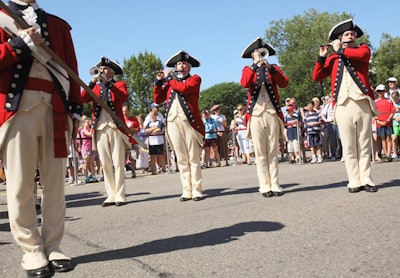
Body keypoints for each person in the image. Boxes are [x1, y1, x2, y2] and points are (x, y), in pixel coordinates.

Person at [0, 0, 82, 276]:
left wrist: (75, 110)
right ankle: (31, 250)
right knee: (21, 184)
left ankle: (53, 245)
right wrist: (18, 46)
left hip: (55, 110)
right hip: (16, 111)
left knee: (55, 183)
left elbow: (70, 68)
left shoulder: (58, 25)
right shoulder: (1, 18)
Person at [312, 19, 379, 193]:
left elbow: (363, 57)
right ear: (340, 38)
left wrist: (341, 50)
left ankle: (367, 179)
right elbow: (317, 76)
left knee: (364, 143)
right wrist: (322, 56)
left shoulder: (362, 48)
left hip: (362, 101)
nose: (351, 36)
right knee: (348, 145)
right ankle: (354, 180)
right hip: (342, 104)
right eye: (347, 35)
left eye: (352, 34)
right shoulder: (333, 57)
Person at [153, 50, 205, 202]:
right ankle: (186, 190)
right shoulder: (170, 82)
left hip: (189, 122)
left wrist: (169, 79)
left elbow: (184, 89)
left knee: (193, 157)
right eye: (178, 64)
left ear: (189, 67)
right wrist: (158, 82)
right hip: (172, 121)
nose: (180, 66)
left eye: (183, 64)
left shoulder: (195, 79)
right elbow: (158, 98)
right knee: (181, 158)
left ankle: (197, 189)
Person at [240, 37, 289, 197]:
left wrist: (270, 68)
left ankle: (275, 183)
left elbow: (284, 83)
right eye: (256, 52)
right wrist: (255, 65)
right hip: (255, 114)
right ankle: (264, 185)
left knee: (272, 150)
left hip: (272, 112)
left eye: (261, 52)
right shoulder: (247, 69)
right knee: (260, 151)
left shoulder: (273, 68)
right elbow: (245, 83)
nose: (259, 55)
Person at [81, 56, 130, 206]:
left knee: (118, 162)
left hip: (115, 126)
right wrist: (91, 83)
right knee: (105, 162)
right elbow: (83, 98)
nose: (101, 71)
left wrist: (108, 84)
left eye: (104, 69)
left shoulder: (119, 84)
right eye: (100, 69)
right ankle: (111, 194)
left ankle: (120, 194)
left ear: (112, 72)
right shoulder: (95, 86)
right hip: (100, 127)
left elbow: (123, 97)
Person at [374, 84, 395, 162]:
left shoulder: (389, 101)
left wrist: (388, 120)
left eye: (381, 91)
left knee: (389, 138)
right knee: (383, 138)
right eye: (378, 91)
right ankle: (386, 154)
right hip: (380, 123)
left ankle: (389, 154)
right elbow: (374, 114)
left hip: (388, 123)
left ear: (384, 91)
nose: (380, 93)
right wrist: (379, 121)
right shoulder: (375, 102)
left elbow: (392, 111)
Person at [145, 110, 166, 174]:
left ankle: (163, 169)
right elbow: (147, 130)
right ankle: (153, 170)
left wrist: (152, 130)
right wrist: (154, 129)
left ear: (156, 116)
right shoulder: (149, 123)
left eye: (153, 116)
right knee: (152, 156)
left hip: (159, 141)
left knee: (161, 155)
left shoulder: (159, 122)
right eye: (151, 116)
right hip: (151, 142)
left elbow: (159, 129)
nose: (152, 117)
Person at [122, 104, 140, 178]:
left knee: (133, 157)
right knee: (123, 157)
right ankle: (122, 173)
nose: (125, 113)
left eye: (126, 111)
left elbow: (138, 129)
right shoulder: (121, 120)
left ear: (129, 111)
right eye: (123, 111)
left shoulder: (134, 119)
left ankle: (133, 171)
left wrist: (132, 129)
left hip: (133, 141)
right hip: (124, 141)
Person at [80, 117, 98, 183]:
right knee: (86, 164)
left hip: (92, 148)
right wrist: (92, 128)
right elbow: (90, 134)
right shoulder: (84, 130)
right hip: (86, 148)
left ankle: (94, 176)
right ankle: (86, 177)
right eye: (87, 122)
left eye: (88, 122)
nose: (88, 124)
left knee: (92, 163)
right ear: (84, 123)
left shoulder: (90, 129)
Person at [391, 90, 400, 160]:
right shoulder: (392, 104)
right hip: (395, 123)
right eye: (393, 98)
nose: (395, 99)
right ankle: (394, 153)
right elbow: (389, 112)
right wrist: (394, 117)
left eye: (396, 98)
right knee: (394, 138)